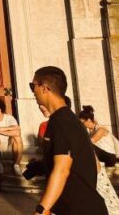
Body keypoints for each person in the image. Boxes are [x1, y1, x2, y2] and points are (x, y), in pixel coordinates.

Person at [32, 66, 107, 215]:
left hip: (81, 209)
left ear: (45, 88)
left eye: (33, 86)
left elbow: (62, 170)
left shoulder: (62, 121)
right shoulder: (63, 119)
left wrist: (42, 210)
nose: (33, 91)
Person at [0, 96, 24, 175]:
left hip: (9, 147)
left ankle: (16, 165)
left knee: (17, 137)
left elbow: (17, 132)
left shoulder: (9, 118)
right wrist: (9, 129)